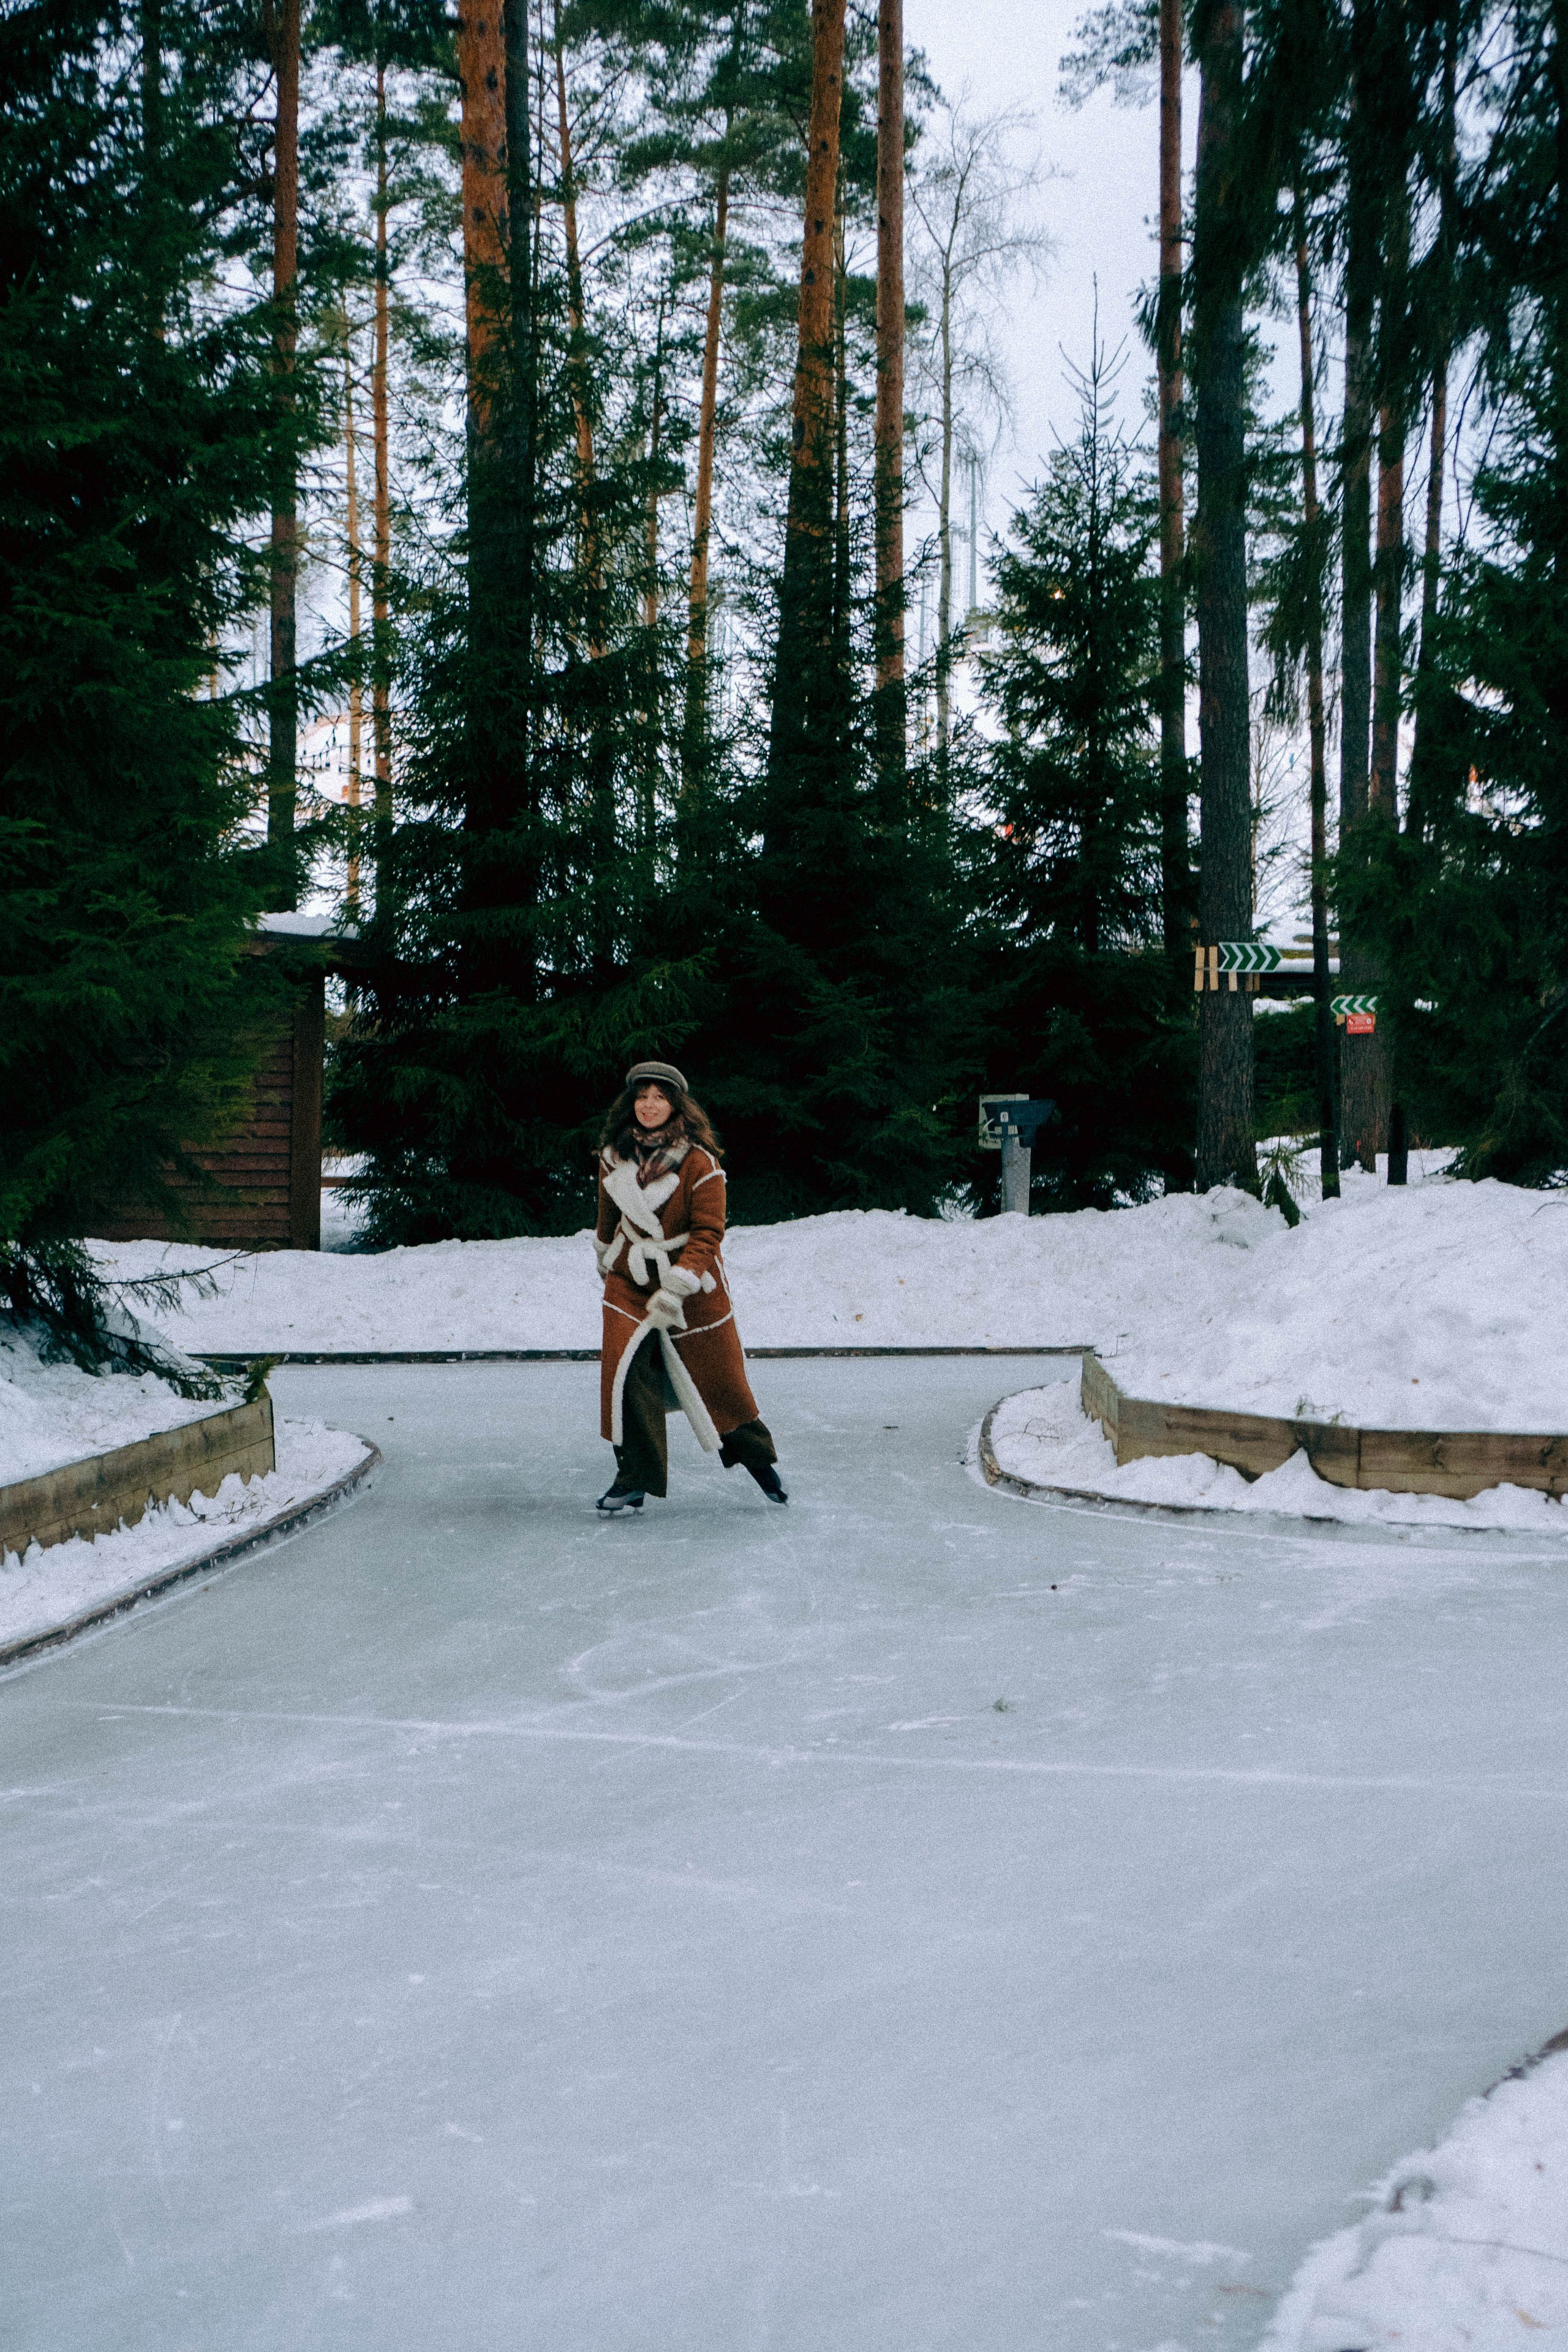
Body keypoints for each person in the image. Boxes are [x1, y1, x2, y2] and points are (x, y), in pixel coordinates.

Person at [593, 1060, 786, 1514]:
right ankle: (633, 1479)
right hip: (631, 1277)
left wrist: (678, 1286)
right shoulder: (612, 1157)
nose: (649, 1105)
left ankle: (758, 1462)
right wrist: (606, 1258)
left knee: (720, 1383)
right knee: (626, 1376)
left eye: (659, 1097)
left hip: (691, 1283)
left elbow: (708, 1234)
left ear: (676, 1104)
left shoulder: (702, 1162)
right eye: (642, 1096)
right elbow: (606, 1218)